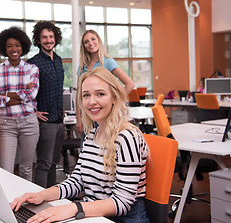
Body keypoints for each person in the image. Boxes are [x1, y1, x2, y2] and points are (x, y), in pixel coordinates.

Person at [11, 67, 149, 223]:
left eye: (100, 94)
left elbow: (122, 202)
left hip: (122, 218)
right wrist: (42, 195)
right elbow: (78, 180)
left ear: (114, 98)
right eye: (86, 95)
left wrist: (73, 208)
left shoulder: (127, 137)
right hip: (93, 213)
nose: (91, 101)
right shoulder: (92, 134)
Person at [0, 26, 39, 182]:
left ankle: (27, 203)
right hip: (6, 125)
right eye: (10, 46)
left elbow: (32, 95)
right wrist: (22, 93)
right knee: (6, 170)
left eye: (17, 45)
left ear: (23, 47)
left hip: (29, 122)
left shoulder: (32, 69)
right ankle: (9, 203)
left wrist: (6, 94)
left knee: (27, 168)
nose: (14, 49)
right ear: (4, 48)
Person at [27, 21, 65, 188]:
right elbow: (24, 92)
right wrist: (33, 112)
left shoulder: (58, 60)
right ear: (38, 40)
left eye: (51, 36)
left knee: (54, 164)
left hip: (59, 120)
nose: (48, 40)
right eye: (44, 37)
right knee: (43, 164)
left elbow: (59, 88)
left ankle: (51, 200)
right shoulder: (32, 63)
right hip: (45, 122)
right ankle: (39, 200)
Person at [76, 29, 135, 133]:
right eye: (86, 42)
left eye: (93, 39)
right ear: (83, 46)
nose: (90, 43)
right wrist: (78, 118)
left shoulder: (108, 62)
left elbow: (130, 84)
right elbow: (79, 94)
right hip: (88, 116)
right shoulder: (82, 67)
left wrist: (115, 102)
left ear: (98, 41)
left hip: (106, 115)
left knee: (106, 145)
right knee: (88, 147)